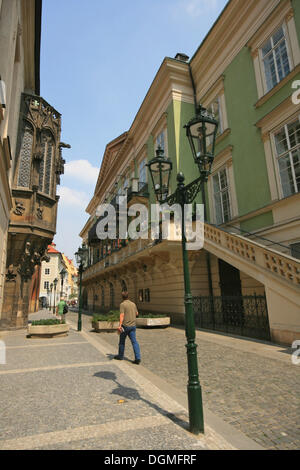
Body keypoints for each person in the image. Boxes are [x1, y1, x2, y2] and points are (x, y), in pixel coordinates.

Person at [114, 291, 141, 364]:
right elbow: (137, 313)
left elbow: (122, 315)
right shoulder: (133, 304)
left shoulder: (122, 304)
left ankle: (120, 356)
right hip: (133, 326)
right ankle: (138, 358)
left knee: (122, 342)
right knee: (134, 342)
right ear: (128, 296)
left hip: (125, 326)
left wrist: (119, 325)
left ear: (122, 297)